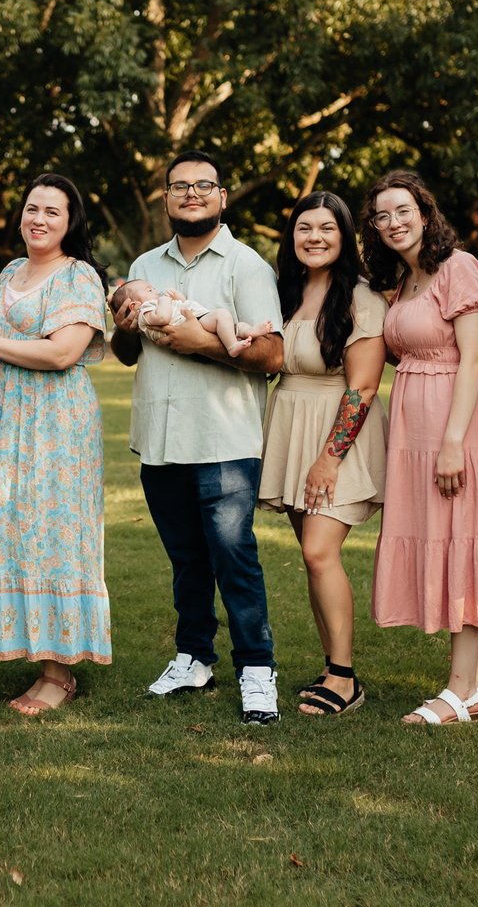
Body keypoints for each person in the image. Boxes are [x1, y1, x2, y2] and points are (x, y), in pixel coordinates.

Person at [111, 151, 286, 725]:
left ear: (222, 196)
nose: (191, 193)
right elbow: (127, 353)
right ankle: (193, 657)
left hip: (223, 442)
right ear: (165, 198)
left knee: (234, 558)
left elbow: (272, 355)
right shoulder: (144, 265)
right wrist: (124, 330)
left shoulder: (246, 266)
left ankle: (257, 670)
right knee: (185, 560)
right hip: (159, 440)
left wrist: (202, 342)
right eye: (180, 186)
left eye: (204, 185)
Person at [362, 170, 478, 726]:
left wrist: (454, 442)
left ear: (425, 214)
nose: (393, 223)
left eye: (403, 211)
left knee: (463, 541)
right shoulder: (403, 282)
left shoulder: (459, 268)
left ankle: (459, 690)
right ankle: (473, 683)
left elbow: (474, 358)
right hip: (412, 429)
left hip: (454, 427)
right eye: (382, 216)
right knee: (440, 540)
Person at [0, 174, 111, 714]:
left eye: (52, 211)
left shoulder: (78, 275)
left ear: (71, 222)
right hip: (10, 418)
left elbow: (63, 353)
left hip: (56, 422)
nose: (38, 219)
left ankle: (58, 674)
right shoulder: (8, 273)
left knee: (55, 534)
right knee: (20, 532)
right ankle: (38, 651)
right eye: (32, 209)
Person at [256, 192, 388, 717]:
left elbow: (364, 386)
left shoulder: (361, 298)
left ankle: (345, 678)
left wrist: (330, 458)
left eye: (326, 228)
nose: (314, 237)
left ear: (344, 237)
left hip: (337, 434)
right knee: (314, 559)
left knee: (318, 552)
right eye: (304, 227)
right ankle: (333, 666)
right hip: (290, 427)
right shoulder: (283, 292)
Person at [111, 278, 276, 357]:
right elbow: (162, 318)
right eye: (149, 290)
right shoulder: (145, 312)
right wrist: (165, 300)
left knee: (231, 323)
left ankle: (249, 331)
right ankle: (232, 346)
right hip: (194, 322)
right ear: (133, 305)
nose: (155, 291)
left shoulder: (156, 304)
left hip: (194, 320)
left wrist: (178, 298)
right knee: (222, 316)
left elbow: (184, 305)